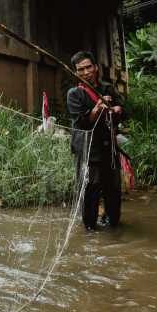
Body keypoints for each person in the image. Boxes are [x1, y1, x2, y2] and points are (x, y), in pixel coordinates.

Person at [66, 51, 126, 230]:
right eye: (80, 69)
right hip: (87, 149)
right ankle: (90, 229)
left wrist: (117, 110)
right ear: (76, 73)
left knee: (113, 189)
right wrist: (97, 109)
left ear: (96, 68)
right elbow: (82, 122)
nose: (85, 72)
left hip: (109, 146)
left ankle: (113, 224)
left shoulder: (108, 89)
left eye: (88, 67)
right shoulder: (74, 94)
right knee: (90, 189)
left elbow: (124, 111)